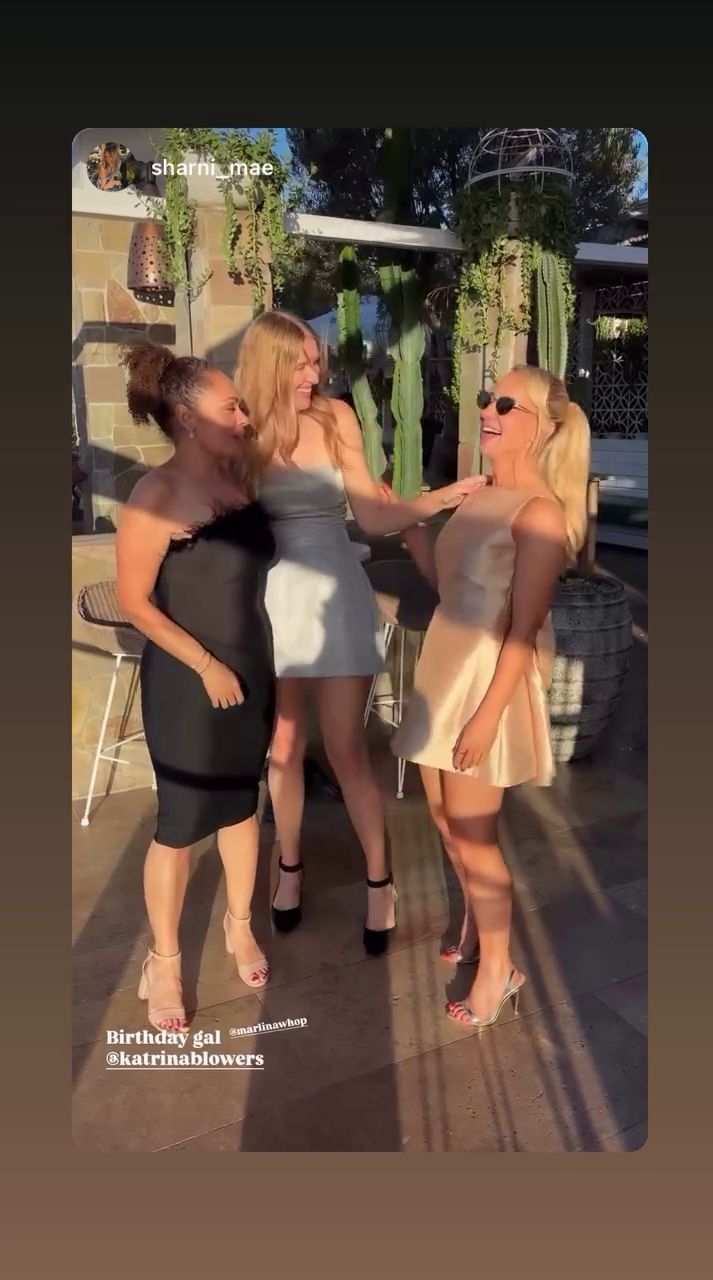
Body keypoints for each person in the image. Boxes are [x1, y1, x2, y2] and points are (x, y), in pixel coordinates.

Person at [235, 310, 486, 954]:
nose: (313, 375)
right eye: (300, 364)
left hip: (338, 596)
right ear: (268, 365)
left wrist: (437, 500)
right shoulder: (241, 428)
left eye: (316, 362)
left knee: (347, 748)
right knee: (284, 745)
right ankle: (289, 865)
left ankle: (381, 879)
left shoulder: (336, 417)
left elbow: (372, 516)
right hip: (274, 598)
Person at [392, 365, 590, 1027]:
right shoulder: (478, 494)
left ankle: (500, 968)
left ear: (543, 427)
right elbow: (452, 589)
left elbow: (522, 630)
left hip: (485, 684)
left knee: (476, 839)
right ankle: (477, 925)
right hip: (442, 671)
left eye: (507, 404)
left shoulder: (539, 514)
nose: (488, 410)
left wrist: (485, 718)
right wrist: (414, 532)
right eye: (486, 398)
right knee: (444, 822)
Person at [115, 343, 276, 1033]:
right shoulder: (155, 494)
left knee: (241, 805)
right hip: (189, 679)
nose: (243, 418)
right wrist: (207, 664)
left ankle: (239, 926)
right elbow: (134, 602)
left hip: (253, 667)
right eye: (230, 408)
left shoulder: (239, 480)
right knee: (180, 824)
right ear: (186, 418)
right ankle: (164, 962)